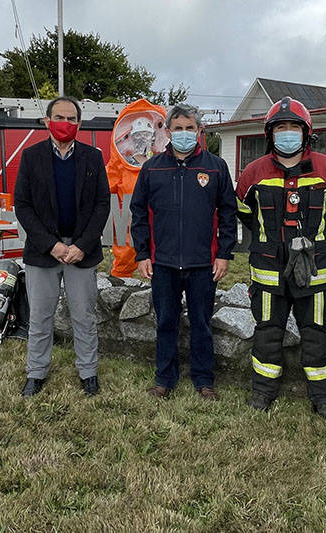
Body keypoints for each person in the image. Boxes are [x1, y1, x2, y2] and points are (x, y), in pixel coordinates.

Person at [235, 96, 326, 419]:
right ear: (270, 134)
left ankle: (323, 397)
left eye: (294, 127)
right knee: (268, 332)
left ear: (306, 132)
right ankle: (263, 391)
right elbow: (245, 211)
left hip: (315, 272)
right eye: (280, 128)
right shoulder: (253, 173)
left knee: (316, 332)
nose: (287, 133)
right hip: (268, 271)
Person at [130, 103, 237, 400]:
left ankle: (204, 381)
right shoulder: (152, 168)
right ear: (167, 131)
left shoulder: (215, 167)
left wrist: (224, 253)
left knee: (202, 323)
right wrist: (142, 254)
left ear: (200, 131)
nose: (184, 134)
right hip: (162, 263)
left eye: (190, 128)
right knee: (166, 321)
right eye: (178, 128)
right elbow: (138, 213)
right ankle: (164, 379)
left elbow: (228, 213)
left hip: (203, 263)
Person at [12, 96, 110, 397]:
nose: (64, 123)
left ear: (78, 124)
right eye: (59, 117)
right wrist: (51, 245)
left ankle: (88, 373)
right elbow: (23, 206)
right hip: (44, 251)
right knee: (40, 316)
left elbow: (102, 205)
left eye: (71, 119)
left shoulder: (93, 158)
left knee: (83, 315)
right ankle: (36, 373)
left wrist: (81, 245)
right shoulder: (31, 157)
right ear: (47, 121)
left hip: (82, 250)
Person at [107, 99, 167, 278]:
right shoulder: (118, 166)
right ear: (130, 137)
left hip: (161, 225)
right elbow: (101, 193)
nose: (143, 139)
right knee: (123, 265)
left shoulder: (162, 165)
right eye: (138, 135)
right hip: (128, 228)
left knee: (164, 266)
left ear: (153, 137)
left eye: (146, 135)